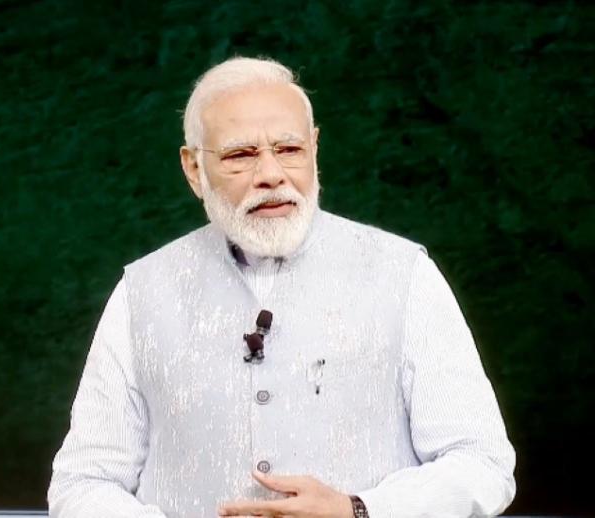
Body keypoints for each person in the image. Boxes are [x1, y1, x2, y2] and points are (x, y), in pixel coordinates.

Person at [48, 56, 516, 518]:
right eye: (241, 155)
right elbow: (83, 483)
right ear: (193, 169)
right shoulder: (142, 291)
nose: (271, 175)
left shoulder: (404, 274)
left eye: (289, 149)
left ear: (315, 149)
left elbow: (481, 463)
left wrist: (359, 510)